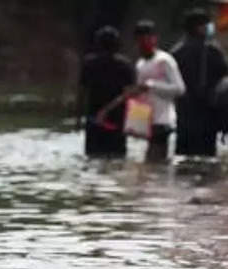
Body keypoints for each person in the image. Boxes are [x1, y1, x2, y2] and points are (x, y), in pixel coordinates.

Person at [172, 8, 228, 157]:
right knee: (206, 159)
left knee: (183, 158)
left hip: (184, 116)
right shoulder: (214, 51)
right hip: (208, 116)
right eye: (206, 25)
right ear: (198, 27)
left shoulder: (176, 52)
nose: (209, 28)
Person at [76, 25, 135, 157]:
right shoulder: (125, 65)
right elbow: (129, 95)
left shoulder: (89, 64)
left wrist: (78, 118)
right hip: (117, 121)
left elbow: (82, 92)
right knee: (117, 158)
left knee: (93, 157)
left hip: (94, 120)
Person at [132, 20, 186, 162]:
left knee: (157, 162)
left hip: (163, 121)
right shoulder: (140, 64)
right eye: (140, 40)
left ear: (154, 39)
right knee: (150, 162)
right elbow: (140, 94)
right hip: (146, 121)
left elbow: (180, 89)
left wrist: (153, 86)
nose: (144, 43)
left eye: (148, 38)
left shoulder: (165, 60)